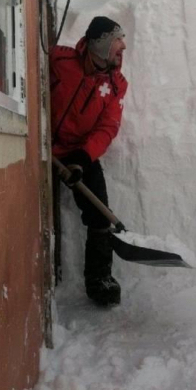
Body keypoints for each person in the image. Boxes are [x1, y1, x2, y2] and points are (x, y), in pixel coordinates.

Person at [50, 16, 128, 306]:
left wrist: (83, 158)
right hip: (39, 145)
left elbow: (108, 127)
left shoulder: (116, 86)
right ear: (99, 45)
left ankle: (100, 278)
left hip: (79, 151)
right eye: (116, 41)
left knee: (99, 213)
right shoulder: (59, 60)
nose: (122, 48)